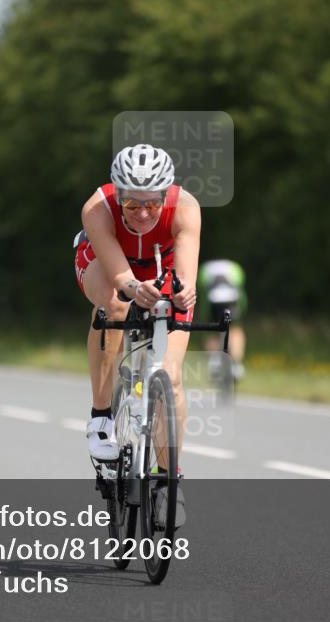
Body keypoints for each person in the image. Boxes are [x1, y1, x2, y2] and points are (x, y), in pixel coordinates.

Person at [74, 144, 200, 523]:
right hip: (106, 263)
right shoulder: (97, 207)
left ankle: (168, 479)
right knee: (113, 304)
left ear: (166, 196)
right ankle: (101, 417)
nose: (143, 214)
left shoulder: (187, 207)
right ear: (119, 195)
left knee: (172, 377)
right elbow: (120, 276)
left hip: (164, 264)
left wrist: (182, 292)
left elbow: (187, 275)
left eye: (152, 205)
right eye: (132, 205)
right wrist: (133, 289)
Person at [197, 259, 247, 380]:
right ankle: (237, 365)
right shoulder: (235, 267)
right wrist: (242, 314)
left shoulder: (204, 270)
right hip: (232, 297)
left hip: (212, 298)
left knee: (211, 328)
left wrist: (204, 317)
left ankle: (214, 361)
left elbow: (203, 299)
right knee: (235, 328)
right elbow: (242, 297)